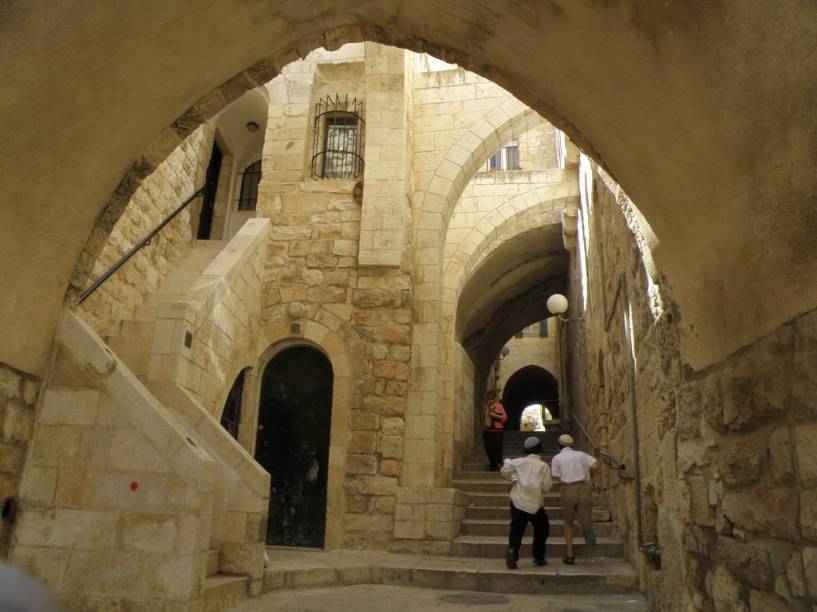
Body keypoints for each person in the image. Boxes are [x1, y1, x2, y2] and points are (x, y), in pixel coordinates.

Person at [500, 436, 552, 569]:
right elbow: (546, 488)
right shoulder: (543, 466)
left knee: (517, 528)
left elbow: (504, 470)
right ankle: (538, 557)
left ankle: (513, 551)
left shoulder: (517, 462)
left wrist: (512, 476)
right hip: (535, 504)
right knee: (542, 528)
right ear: (540, 450)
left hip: (518, 502)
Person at [550, 433, 599, 564]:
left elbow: (557, 476)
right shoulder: (581, 454)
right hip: (584, 487)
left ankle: (570, 554)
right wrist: (589, 474)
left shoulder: (557, 458)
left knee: (568, 522)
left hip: (568, 488)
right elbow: (595, 465)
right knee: (585, 515)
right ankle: (587, 527)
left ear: (559, 445)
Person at [481, 389, 507, 470]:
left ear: (495, 399)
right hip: (487, 430)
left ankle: (498, 463)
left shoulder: (499, 406)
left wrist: (494, 415)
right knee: (488, 447)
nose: (490, 400)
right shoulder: (485, 407)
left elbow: (505, 417)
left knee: (497, 447)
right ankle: (492, 464)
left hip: (497, 430)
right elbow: (482, 418)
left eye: (492, 398)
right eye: (489, 398)